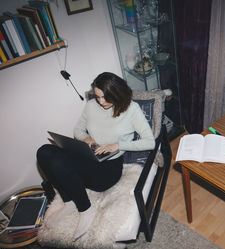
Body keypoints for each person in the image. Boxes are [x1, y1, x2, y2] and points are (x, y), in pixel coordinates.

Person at [36, 72, 155, 239]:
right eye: (98, 97)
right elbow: (77, 130)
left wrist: (118, 145)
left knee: (60, 161)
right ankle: (69, 202)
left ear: (117, 94)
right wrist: (87, 139)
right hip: (87, 156)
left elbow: (150, 142)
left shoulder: (132, 110)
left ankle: (85, 209)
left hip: (107, 169)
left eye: (105, 98)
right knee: (44, 152)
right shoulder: (92, 105)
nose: (101, 102)